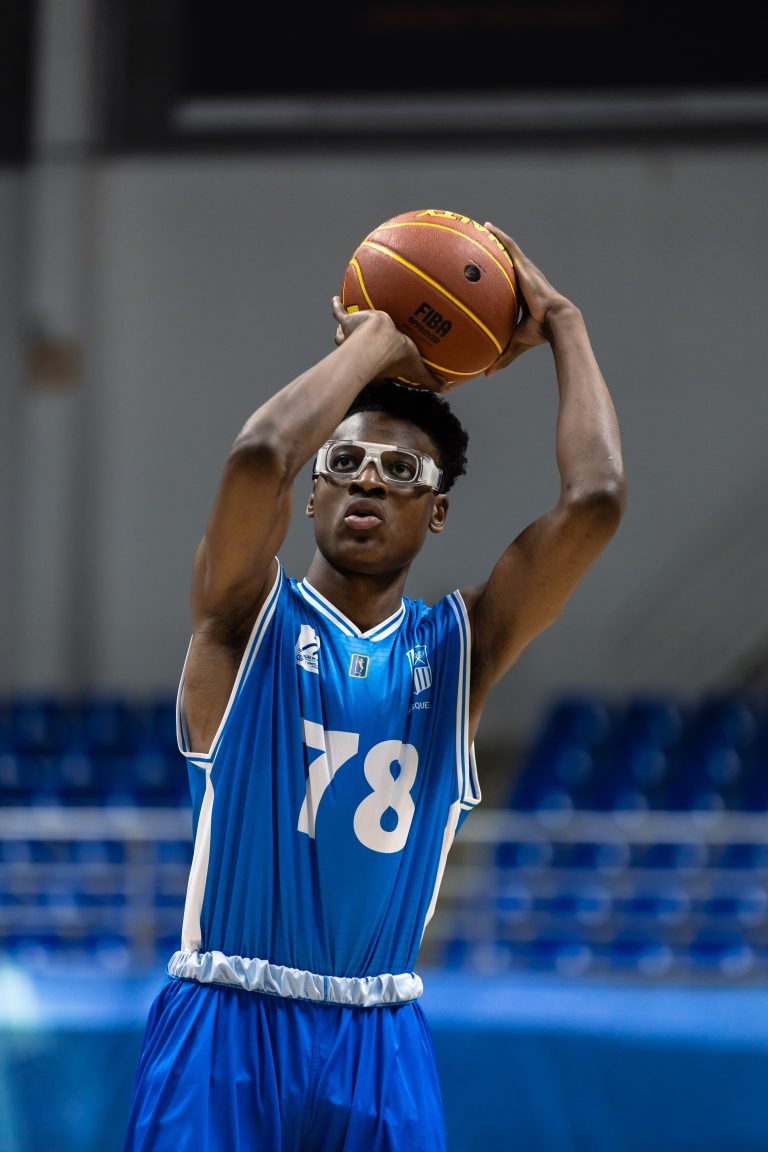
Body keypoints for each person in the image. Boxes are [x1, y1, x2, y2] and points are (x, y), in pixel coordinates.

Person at [122, 223, 626, 1152]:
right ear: (312, 494)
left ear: (436, 512)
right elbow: (258, 455)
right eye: (345, 463)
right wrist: (375, 346)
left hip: (379, 1039)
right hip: (224, 1023)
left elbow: (595, 501)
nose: (368, 480)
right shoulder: (241, 618)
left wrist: (563, 321)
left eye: (402, 471)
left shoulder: (461, 646)